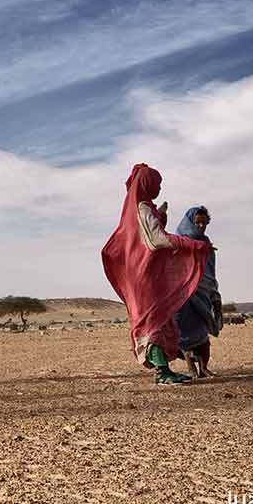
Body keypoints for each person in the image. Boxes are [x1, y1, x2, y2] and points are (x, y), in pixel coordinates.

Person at [101, 164, 213, 385]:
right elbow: (156, 240)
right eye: (157, 184)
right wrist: (191, 245)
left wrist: (159, 217)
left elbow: (146, 237)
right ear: (146, 183)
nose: (159, 188)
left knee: (158, 320)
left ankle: (165, 369)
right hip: (145, 278)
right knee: (153, 322)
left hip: (145, 274)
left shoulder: (140, 209)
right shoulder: (141, 208)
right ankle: (163, 373)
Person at [173, 206, 222, 378]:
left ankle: (203, 367)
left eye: (204, 222)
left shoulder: (207, 246)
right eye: (197, 222)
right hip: (183, 295)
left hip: (203, 294)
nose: (201, 226)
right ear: (190, 223)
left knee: (202, 332)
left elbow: (211, 272)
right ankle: (190, 368)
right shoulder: (178, 244)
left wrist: (215, 294)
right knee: (185, 331)